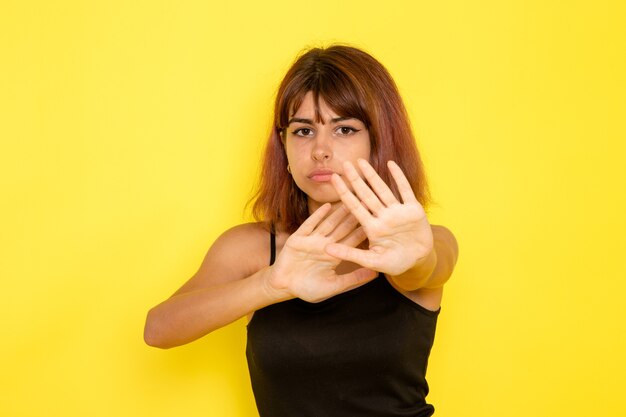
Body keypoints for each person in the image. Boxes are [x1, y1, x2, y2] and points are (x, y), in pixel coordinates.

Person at [144, 44, 459, 416]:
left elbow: (426, 267)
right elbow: (159, 329)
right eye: (304, 131)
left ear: (379, 140)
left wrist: (413, 259)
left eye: (344, 129)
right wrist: (270, 284)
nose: (321, 150)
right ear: (284, 144)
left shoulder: (423, 242)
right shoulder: (251, 247)